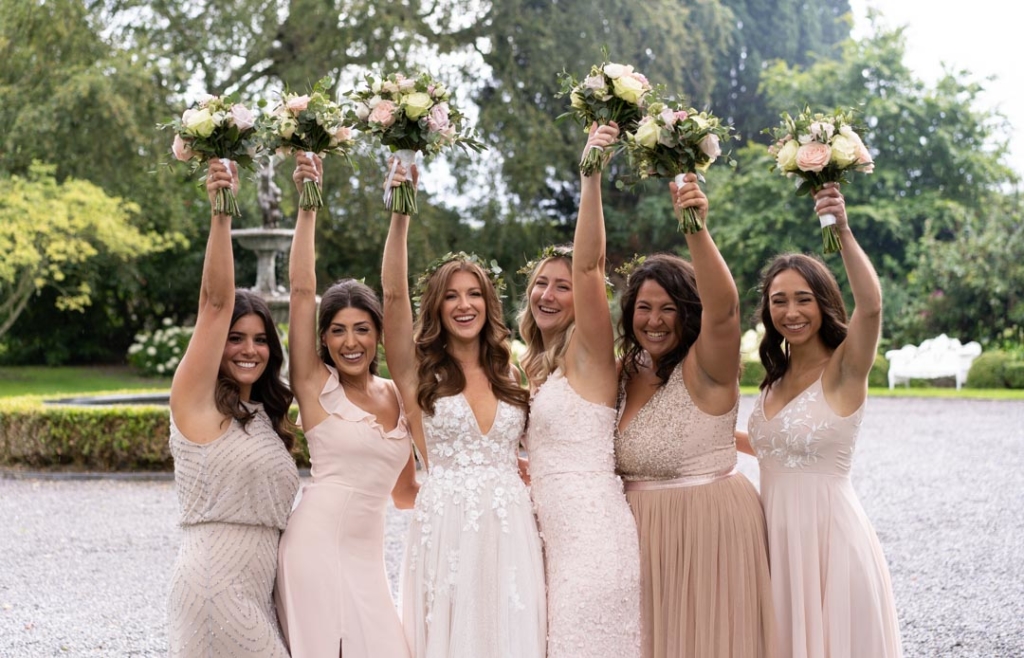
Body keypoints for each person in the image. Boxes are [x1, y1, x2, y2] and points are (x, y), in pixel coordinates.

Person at [381, 162, 546, 657]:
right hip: (446, 524)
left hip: (511, 526)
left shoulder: (510, 371)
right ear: (436, 307)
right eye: (451, 296)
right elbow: (391, 294)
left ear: (488, 303)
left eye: (474, 294)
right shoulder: (416, 372)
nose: (464, 304)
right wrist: (400, 212)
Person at [736, 184, 903, 658]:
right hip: (777, 543)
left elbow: (871, 306)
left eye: (803, 299)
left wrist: (843, 230)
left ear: (823, 302)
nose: (791, 312)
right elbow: (776, 448)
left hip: (831, 543)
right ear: (767, 310)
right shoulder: (775, 377)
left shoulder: (845, 368)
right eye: (778, 300)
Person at [613, 175, 776, 658]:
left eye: (668, 308)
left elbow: (725, 311)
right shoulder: (624, 372)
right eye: (643, 308)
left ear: (688, 312)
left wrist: (695, 227)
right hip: (639, 539)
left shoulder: (708, 366)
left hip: (709, 530)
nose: (654, 320)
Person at [274, 153, 419, 658]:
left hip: (367, 556)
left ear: (379, 334)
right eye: (337, 330)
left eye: (362, 329)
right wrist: (307, 203)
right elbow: (301, 290)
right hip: (314, 547)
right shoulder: (315, 384)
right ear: (325, 338)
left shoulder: (400, 396)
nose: (350, 341)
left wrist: (482, 484)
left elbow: (404, 493)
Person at [167, 158, 300, 657]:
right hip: (212, 587)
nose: (249, 349)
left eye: (261, 340)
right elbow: (215, 304)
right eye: (236, 340)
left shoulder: (264, 416)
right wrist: (221, 212)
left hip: (260, 592)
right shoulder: (196, 401)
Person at [518, 122, 640, 658]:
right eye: (541, 283)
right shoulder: (531, 364)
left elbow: (589, 264)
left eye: (561, 287)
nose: (548, 293)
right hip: (546, 538)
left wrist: (590, 173)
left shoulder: (587, 351)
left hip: (593, 538)